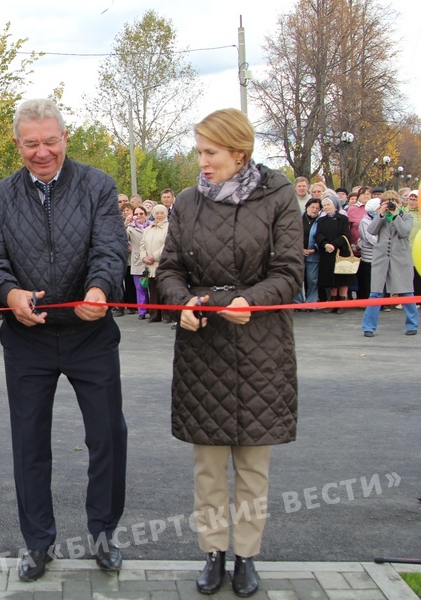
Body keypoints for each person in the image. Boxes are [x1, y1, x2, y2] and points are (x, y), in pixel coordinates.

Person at [0, 98, 128, 581]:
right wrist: (9, 292)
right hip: (27, 337)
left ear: (65, 138)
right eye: (30, 144)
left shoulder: (98, 185)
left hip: (91, 333)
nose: (41, 152)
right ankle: (38, 543)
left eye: (49, 141)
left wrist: (100, 289)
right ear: (17, 143)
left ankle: (104, 534)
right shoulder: (0, 195)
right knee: (29, 443)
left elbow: (111, 248)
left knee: (107, 436)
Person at [157, 109, 302, 598]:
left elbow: (288, 272)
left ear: (239, 153)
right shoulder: (186, 202)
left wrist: (252, 301)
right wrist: (182, 303)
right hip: (203, 345)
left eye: (210, 153)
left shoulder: (279, 194)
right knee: (209, 462)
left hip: (261, 342)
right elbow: (169, 270)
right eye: (199, 152)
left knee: (254, 463)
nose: (202, 162)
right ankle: (213, 551)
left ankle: (247, 556)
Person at [361, 193, 418, 336]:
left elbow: (405, 232)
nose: (390, 205)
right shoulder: (379, 217)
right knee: (375, 293)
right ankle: (368, 327)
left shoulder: (406, 216)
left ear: (399, 203)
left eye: (393, 202)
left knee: (406, 293)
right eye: (386, 202)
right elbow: (371, 231)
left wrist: (395, 215)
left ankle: (412, 325)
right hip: (381, 259)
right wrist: (380, 215)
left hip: (401, 259)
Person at [315, 197, 355, 312]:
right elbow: (318, 235)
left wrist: (334, 244)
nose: (326, 207)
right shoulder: (321, 221)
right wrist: (325, 244)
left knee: (342, 278)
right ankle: (332, 303)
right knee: (330, 279)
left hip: (341, 252)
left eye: (328, 204)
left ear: (335, 205)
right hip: (327, 253)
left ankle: (341, 304)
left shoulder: (343, 218)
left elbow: (346, 234)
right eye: (325, 205)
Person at [140, 204, 170, 323]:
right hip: (150, 265)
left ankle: (167, 315)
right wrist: (144, 258)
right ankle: (154, 315)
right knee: (153, 291)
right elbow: (142, 245)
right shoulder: (148, 229)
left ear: (165, 214)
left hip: (162, 264)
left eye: (161, 213)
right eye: (157, 213)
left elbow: (167, 245)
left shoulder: (169, 227)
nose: (159, 215)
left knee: (164, 291)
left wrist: (154, 256)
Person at [295, 198, 322, 309]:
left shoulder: (321, 220)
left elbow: (322, 237)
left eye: (317, 208)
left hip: (313, 253)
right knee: (297, 278)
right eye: (312, 207)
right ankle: (297, 302)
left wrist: (313, 249)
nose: (314, 210)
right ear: (307, 207)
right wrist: (299, 248)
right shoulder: (298, 218)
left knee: (312, 279)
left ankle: (311, 303)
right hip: (298, 252)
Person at [127, 205, 150, 319]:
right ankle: (142, 311)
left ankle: (153, 309)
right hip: (137, 260)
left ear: (146, 214)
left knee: (152, 287)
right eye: (136, 214)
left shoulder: (151, 226)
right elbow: (121, 238)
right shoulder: (129, 228)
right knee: (140, 287)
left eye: (141, 213)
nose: (139, 216)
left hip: (151, 259)